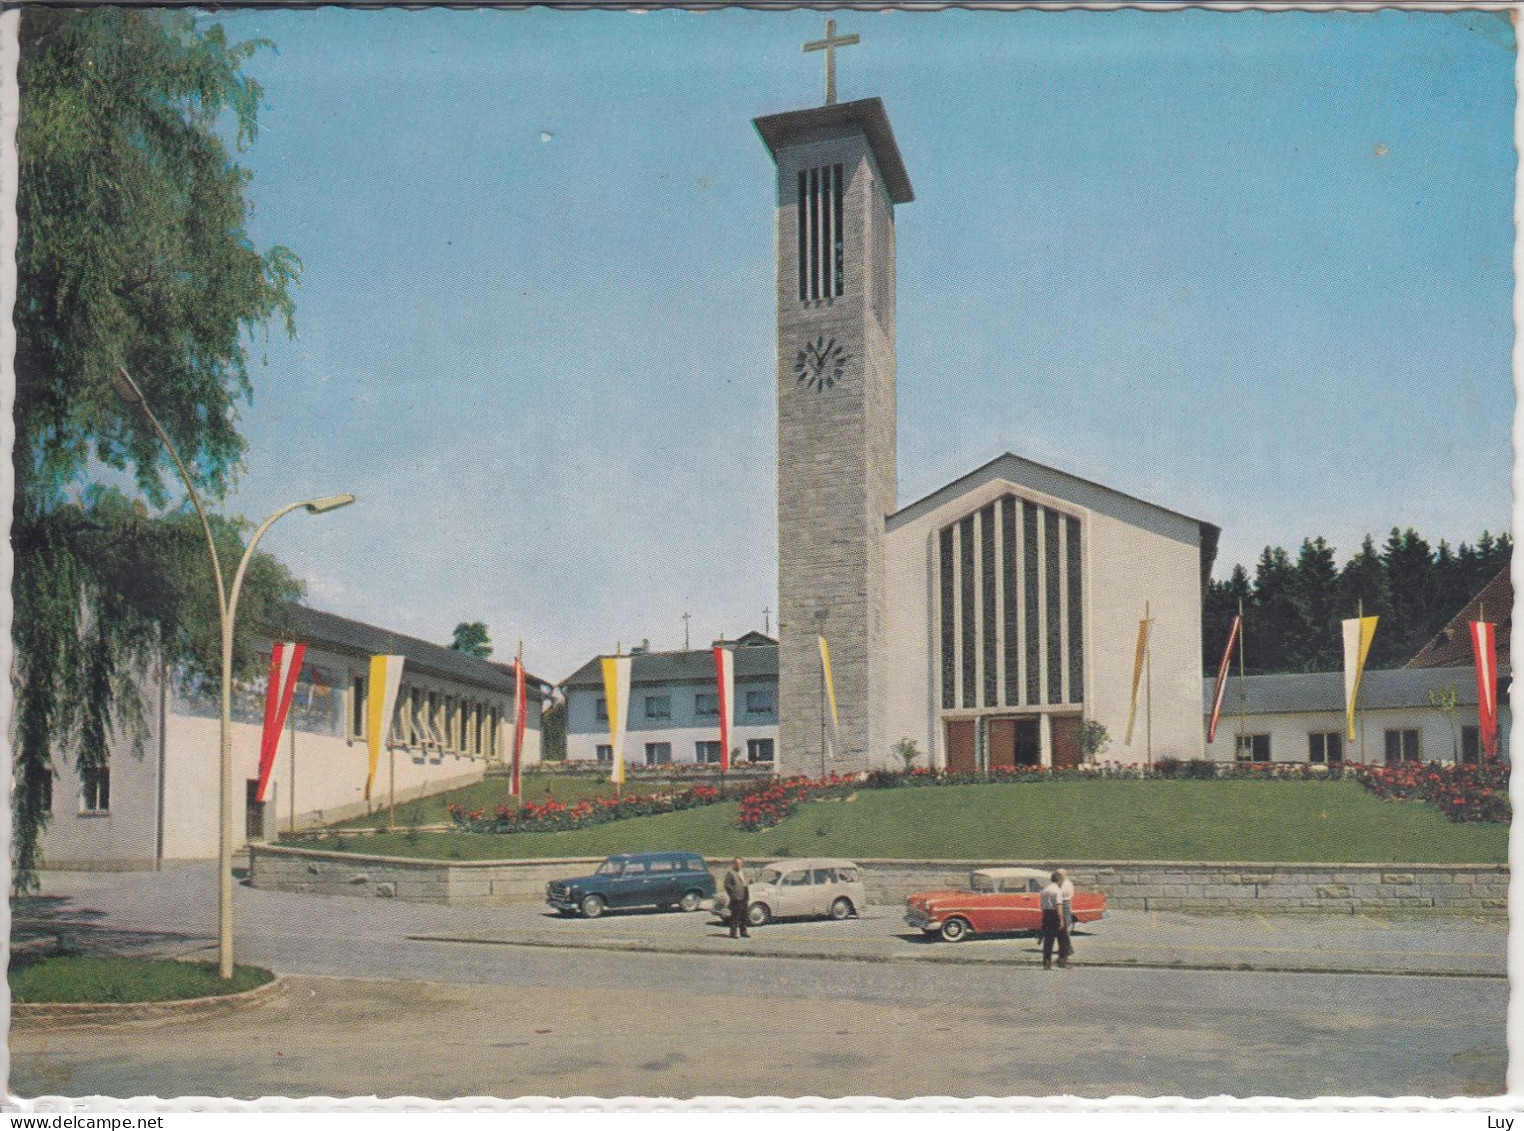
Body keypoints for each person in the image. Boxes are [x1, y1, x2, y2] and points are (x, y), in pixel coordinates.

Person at [1039, 870, 1071, 969]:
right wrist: (1061, 921)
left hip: (1046, 914)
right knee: (1063, 940)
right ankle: (1062, 961)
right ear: (1059, 880)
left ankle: (1046, 962)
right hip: (1055, 915)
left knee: (1048, 940)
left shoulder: (1044, 891)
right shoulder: (1057, 891)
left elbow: (1042, 906)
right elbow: (1059, 907)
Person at [724, 857, 750, 939]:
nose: (739, 865)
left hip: (744, 896)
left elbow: (745, 883)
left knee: (744, 915)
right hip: (736, 897)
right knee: (736, 915)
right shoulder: (730, 873)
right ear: (733, 864)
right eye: (737, 863)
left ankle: (743, 932)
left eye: (740, 863)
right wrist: (732, 894)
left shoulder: (743, 872)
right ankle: (733, 933)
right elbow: (727, 885)